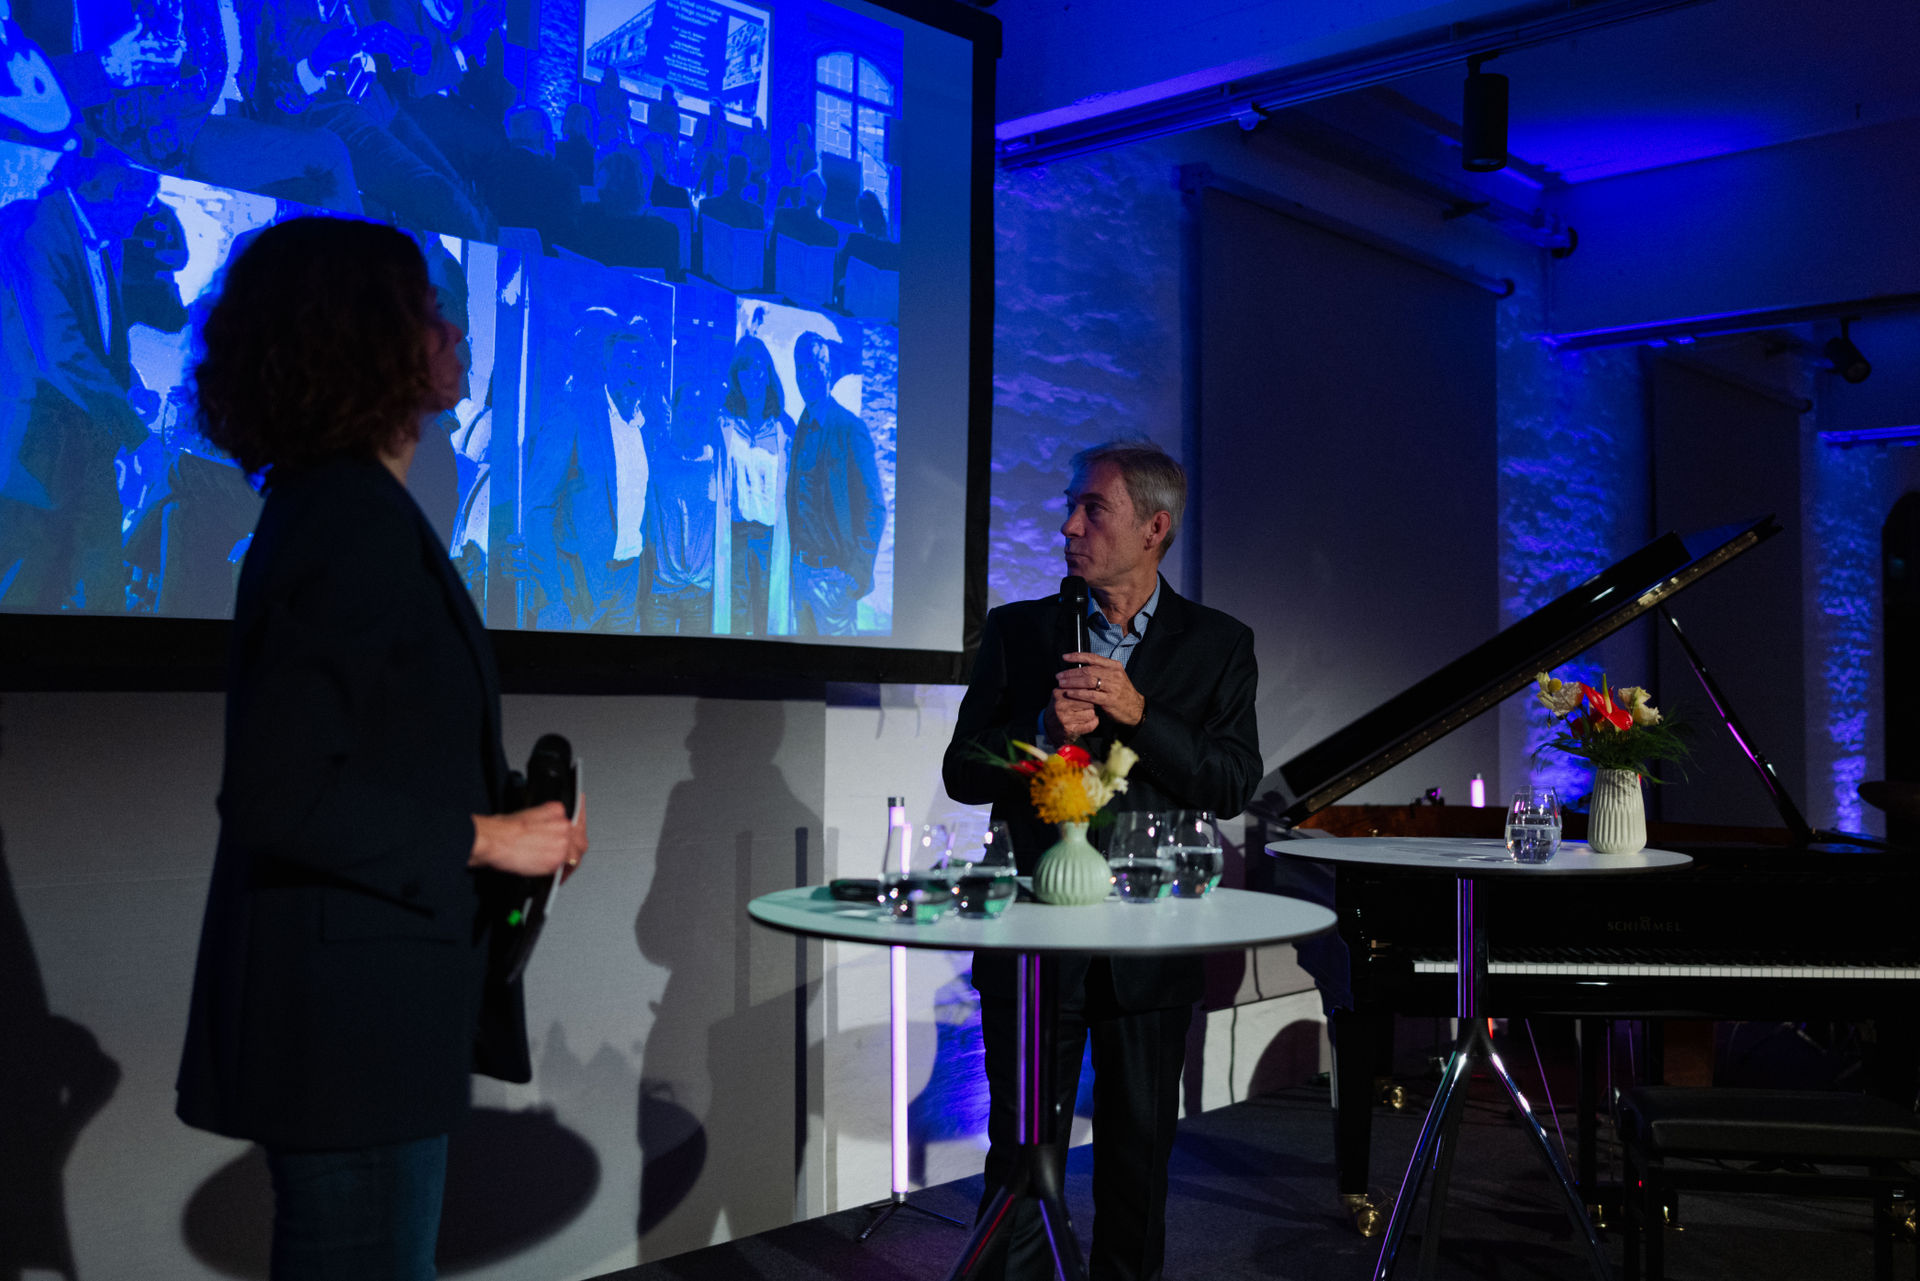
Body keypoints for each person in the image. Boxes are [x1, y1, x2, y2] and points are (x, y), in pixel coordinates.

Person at [174, 216, 588, 1281]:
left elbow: (376, 754)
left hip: (369, 1019)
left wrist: (514, 818)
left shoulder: (347, 510)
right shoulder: (344, 518)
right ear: (366, 340)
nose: (454, 334)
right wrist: (487, 837)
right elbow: (276, 793)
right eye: (430, 312)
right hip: (349, 1033)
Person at [941, 441, 1261, 1281]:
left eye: (1093, 509)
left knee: (1136, 1169)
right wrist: (1040, 736)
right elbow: (961, 769)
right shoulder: (1019, 630)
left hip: (1151, 949)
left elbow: (1232, 782)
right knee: (1021, 1163)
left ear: (1154, 528)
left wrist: (1139, 713)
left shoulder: (1218, 643)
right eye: (1071, 506)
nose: (1068, 526)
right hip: (1036, 942)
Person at [785, 330, 882, 636]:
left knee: (837, 664)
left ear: (827, 369)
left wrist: (859, 568)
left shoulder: (850, 428)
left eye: (812, 366)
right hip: (800, 573)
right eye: (800, 368)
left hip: (834, 577)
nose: (805, 376)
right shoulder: (802, 427)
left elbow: (875, 506)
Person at [717, 328, 791, 634]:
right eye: (744, 370)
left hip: (770, 540)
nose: (751, 377)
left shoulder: (784, 429)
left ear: (768, 374)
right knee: (735, 618)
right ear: (736, 377)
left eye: (757, 368)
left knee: (767, 620)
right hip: (735, 537)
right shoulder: (725, 424)